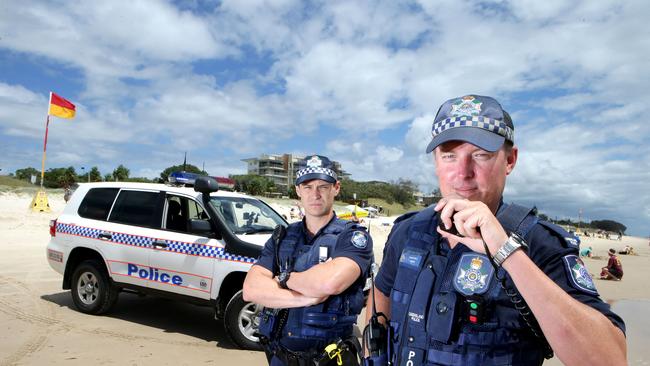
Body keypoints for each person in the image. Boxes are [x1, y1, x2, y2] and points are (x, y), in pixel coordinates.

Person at [366, 95, 626, 365]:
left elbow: (610, 358)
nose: (463, 172)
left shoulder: (540, 242)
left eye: (481, 155)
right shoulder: (409, 230)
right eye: (449, 156)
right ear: (435, 162)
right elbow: (382, 292)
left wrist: (507, 252)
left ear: (510, 160)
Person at [243, 154, 373, 366]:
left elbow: (329, 283)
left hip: (330, 359)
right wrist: (307, 298)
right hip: (281, 357)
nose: (315, 194)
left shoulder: (352, 238)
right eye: (308, 187)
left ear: (336, 188)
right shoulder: (282, 238)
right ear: (298, 190)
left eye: (323, 186)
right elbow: (251, 289)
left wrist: (282, 279)